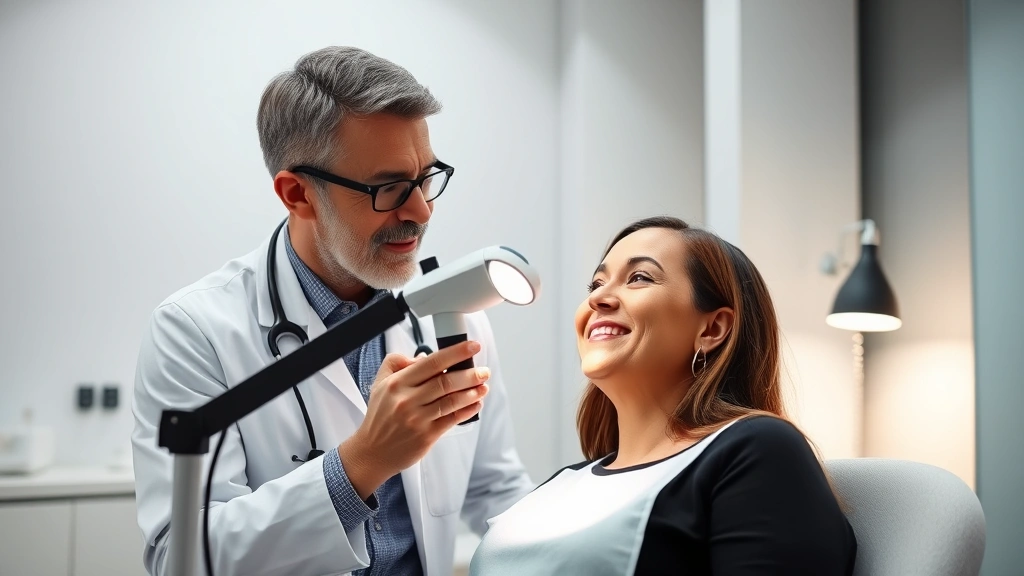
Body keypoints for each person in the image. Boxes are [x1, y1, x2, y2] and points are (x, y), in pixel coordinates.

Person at [130, 46, 533, 576]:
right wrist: (363, 462)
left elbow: (494, 490)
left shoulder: (449, 314)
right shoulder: (195, 330)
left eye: (427, 178)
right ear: (298, 194)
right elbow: (180, 557)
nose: (421, 212)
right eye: (388, 189)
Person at [469, 216, 857, 575]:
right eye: (596, 284)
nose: (598, 299)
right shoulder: (565, 484)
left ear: (713, 328)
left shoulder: (757, 450)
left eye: (638, 277)